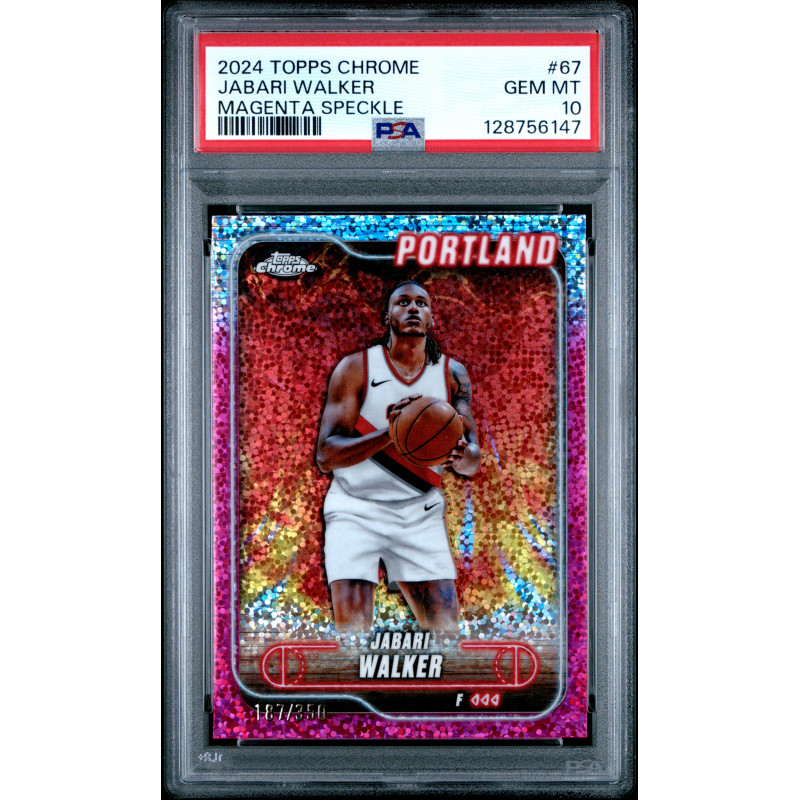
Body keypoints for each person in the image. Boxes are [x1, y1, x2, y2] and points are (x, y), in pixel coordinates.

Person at [316, 280, 481, 633]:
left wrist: (458, 455)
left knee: (446, 635)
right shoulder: (356, 367)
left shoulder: (453, 374)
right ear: (387, 316)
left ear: (432, 317)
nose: (413, 308)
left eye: (421, 303)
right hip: (354, 508)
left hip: (419, 510)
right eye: (403, 302)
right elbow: (325, 455)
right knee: (352, 637)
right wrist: (388, 435)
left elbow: (472, 461)